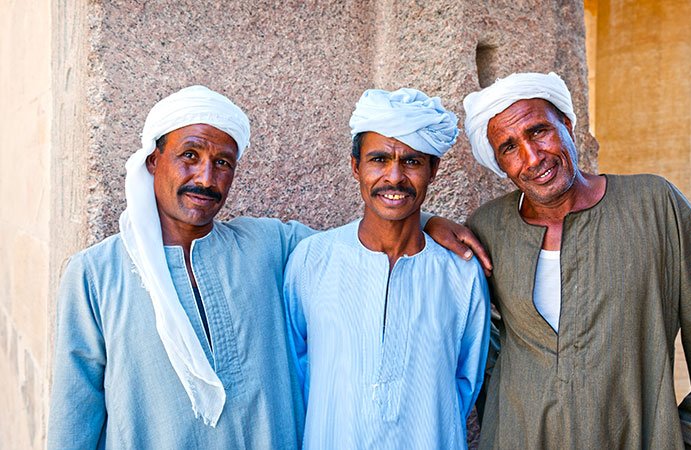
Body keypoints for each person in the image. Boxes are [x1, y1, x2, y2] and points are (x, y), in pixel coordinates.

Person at [47, 85, 488, 449]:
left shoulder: (267, 246)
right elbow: (74, 421)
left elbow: (369, 242)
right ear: (153, 162)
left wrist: (425, 221)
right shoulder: (94, 275)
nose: (206, 178)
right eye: (190, 155)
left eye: (223, 163)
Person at [462, 72, 691, 449]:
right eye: (509, 147)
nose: (532, 157)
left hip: (633, 437)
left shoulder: (653, 204)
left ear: (567, 125)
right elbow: (481, 340)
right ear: (499, 163)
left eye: (538, 131)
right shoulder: (488, 226)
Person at [283, 88, 491, 449]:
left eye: (411, 162)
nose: (394, 177)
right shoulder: (312, 259)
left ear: (433, 170)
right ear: (356, 167)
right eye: (379, 159)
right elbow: (298, 373)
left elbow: (464, 381)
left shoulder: (461, 272)